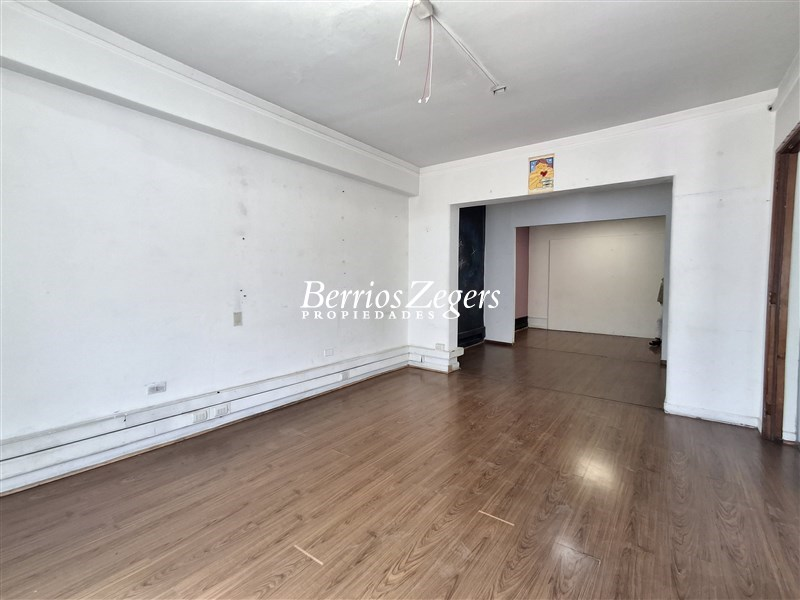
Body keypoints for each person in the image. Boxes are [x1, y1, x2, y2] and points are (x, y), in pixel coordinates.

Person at [649, 278, 664, 347]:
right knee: (660, 320)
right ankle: (658, 338)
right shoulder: (664, 280)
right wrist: (660, 300)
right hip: (664, 303)